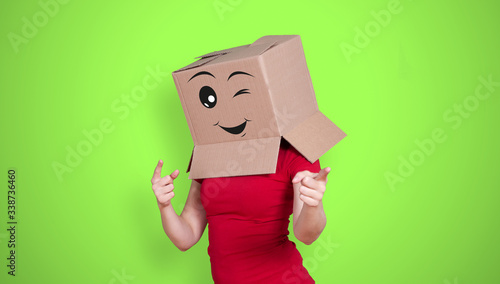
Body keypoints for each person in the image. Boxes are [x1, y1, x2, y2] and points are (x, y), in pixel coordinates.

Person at [150, 138, 331, 283]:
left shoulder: (295, 148)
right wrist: (165, 206)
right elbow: (186, 237)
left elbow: (307, 236)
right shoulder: (208, 145)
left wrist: (314, 203)